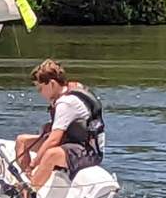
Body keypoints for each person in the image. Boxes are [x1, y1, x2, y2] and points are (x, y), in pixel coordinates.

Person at [14, 59, 106, 190]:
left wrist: (34, 163)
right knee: (22, 141)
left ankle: (29, 194)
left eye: (40, 89)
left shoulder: (65, 103)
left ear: (51, 84)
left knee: (50, 154)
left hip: (88, 151)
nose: (40, 93)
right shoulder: (69, 88)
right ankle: (27, 179)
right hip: (69, 142)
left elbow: (54, 140)